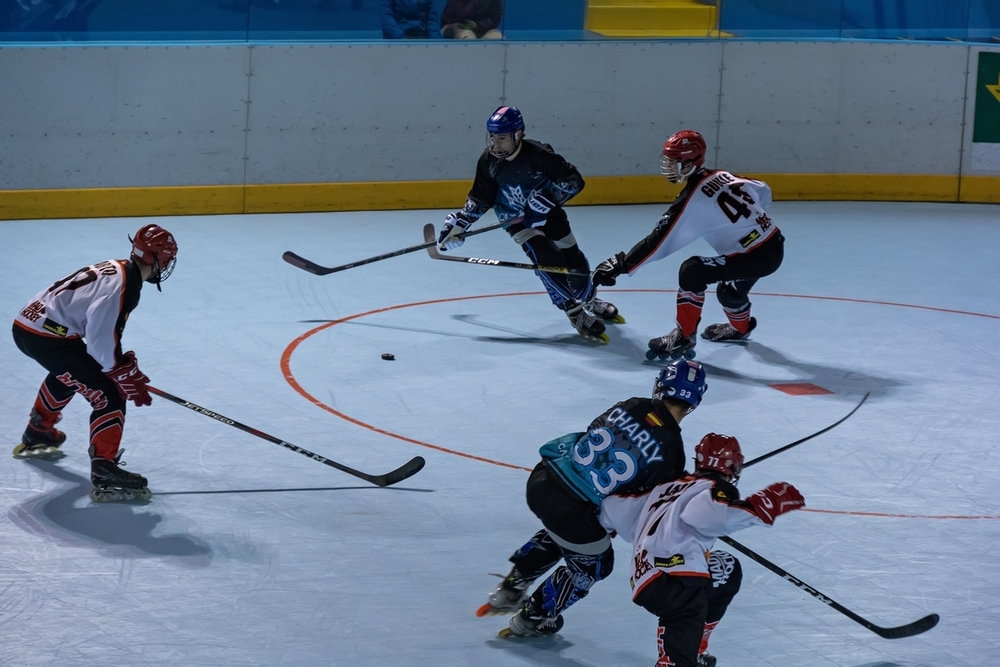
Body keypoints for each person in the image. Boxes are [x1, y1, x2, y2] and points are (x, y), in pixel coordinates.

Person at [478, 359, 708, 638]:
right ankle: (534, 616)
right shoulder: (673, 454)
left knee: (565, 532)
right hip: (574, 515)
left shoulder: (633, 404)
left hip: (542, 481)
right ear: (695, 401)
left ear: (661, 385)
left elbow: (595, 428)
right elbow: (639, 501)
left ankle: (511, 587)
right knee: (595, 564)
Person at [600, 432, 805, 667]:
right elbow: (714, 515)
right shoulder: (714, 488)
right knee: (678, 656)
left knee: (727, 569)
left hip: (645, 579)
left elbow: (613, 510)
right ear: (734, 466)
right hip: (678, 582)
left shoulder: (665, 487)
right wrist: (764, 504)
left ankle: (695, 647)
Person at [12, 224, 178, 502]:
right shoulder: (126, 285)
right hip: (47, 337)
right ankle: (104, 468)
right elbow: (101, 337)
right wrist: (118, 370)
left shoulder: (119, 267)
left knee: (70, 373)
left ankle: (39, 429)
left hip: (30, 327)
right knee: (109, 394)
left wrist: (115, 363)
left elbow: (96, 335)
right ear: (160, 258)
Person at [591, 129, 784, 360]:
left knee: (692, 271)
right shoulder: (723, 175)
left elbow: (658, 241)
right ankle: (740, 329)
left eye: (675, 162)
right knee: (729, 293)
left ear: (691, 162)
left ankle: (683, 336)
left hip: (755, 255)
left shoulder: (694, 199)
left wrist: (620, 263)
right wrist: (750, 226)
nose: (669, 166)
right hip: (772, 242)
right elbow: (763, 190)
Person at [437, 105, 621, 342]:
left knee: (575, 262)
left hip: (549, 215)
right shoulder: (488, 161)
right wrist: (461, 222)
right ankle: (573, 310)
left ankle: (589, 298)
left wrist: (548, 199)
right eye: (492, 137)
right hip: (516, 220)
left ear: (519, 134)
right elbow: (480, 197)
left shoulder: (539, 154)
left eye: (502, 138)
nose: (495, 143)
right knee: (547, 261)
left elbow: (574, 180)